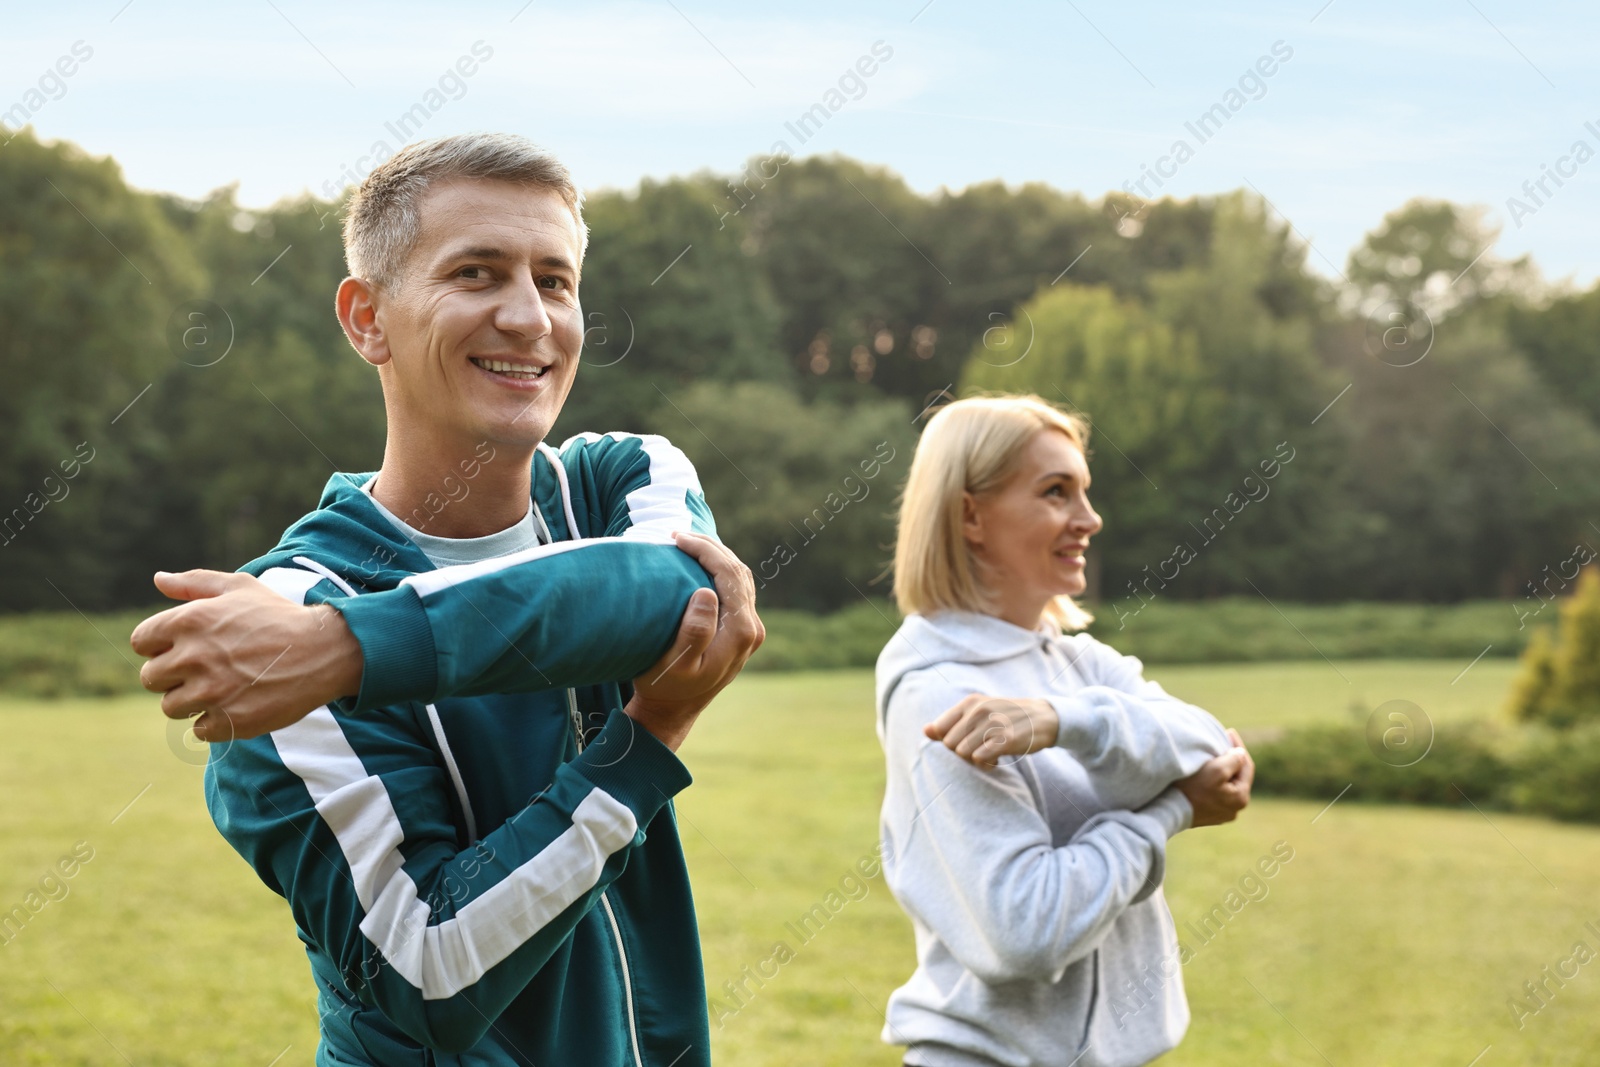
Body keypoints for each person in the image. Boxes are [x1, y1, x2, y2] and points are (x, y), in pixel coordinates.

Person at [128, 133, 764, 1066]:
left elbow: (680, 593)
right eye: (476, 273)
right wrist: (644, 746)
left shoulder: (619, 478)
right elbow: (425, 970)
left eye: (555, 280)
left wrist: (347, 649)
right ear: (366, 318)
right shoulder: (282, 612)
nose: (527, 317)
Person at [875, 394, 1255, 1067]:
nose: (1090, 518)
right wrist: (1171, 810)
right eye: (1056, 491)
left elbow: (1207, 743)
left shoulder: (1076, 660)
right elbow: (1028, 927)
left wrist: (1062, 720)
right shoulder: (938, 694)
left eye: (1085, 490)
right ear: (970, 514)